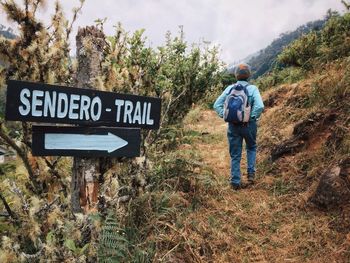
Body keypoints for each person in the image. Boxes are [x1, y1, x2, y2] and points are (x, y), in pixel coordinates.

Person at [213, 63, 264, 190]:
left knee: (235, 154)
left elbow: (216, 105)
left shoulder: (229, 88)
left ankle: (235, 182)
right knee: (251, 147)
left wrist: (224, 115)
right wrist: (250, 117)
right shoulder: (253, 89)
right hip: (249, 125)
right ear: (249, 75)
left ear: (236, 75)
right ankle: (251, 175)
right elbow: (260, 106)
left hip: (233, 126)